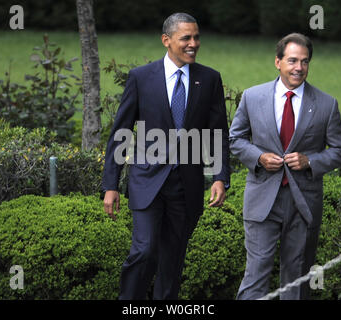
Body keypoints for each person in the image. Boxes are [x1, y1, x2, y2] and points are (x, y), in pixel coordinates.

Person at [102, 12, 230, 300]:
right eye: (186, 38)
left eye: (197, 37)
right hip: (146, 181)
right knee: (144, 250)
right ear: (166, 40)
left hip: (186, 185)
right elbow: (120, 132)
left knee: (172, 260)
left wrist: (220, 177)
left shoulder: (209, 79)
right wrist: (110, 184)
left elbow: (218, 133)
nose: (193, 43)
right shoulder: (141, 78)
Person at [229, 33, 341, 300]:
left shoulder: (326, 104)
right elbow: (235, 139)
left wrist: (311, 161)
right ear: (278, 61)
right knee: (256, 273)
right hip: (262, 200)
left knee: (296, 278)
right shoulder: (252, 97)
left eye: (305, 62)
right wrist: (259, 157)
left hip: (303, 203)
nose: (299, 67)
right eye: (293, 60)